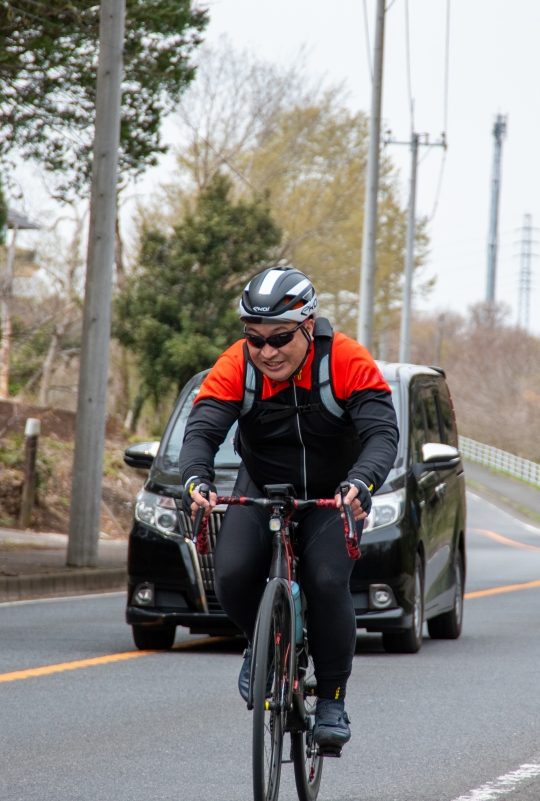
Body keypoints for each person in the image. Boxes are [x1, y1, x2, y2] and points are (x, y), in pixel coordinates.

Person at [178, 266, 400, 751]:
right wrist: (195, 478)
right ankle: (261, 642)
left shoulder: (345, 359)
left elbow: (382, 434)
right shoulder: (237, 365)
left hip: (331, 494)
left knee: (326, 579)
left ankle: (333, 698)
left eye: (280, 338)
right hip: (262, 484)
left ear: (308, 326)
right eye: (255, 339)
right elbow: (202, 430)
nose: (267, 352)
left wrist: (361, 483)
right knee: (232, 574)